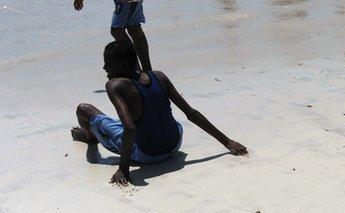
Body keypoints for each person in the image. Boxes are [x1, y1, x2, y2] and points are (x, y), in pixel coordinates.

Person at [71, 41, 247, 186]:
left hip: (147, 155)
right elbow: (191, 113)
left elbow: (130, 129)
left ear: (123, 65)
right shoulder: (159, 76)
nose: (104, 68)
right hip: (175, 143)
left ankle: (91, 137)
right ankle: (97, 133)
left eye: (108, 63)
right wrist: (227, 141)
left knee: (84, 110)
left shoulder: (115, 86)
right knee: (146, 115)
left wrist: (123, 170)